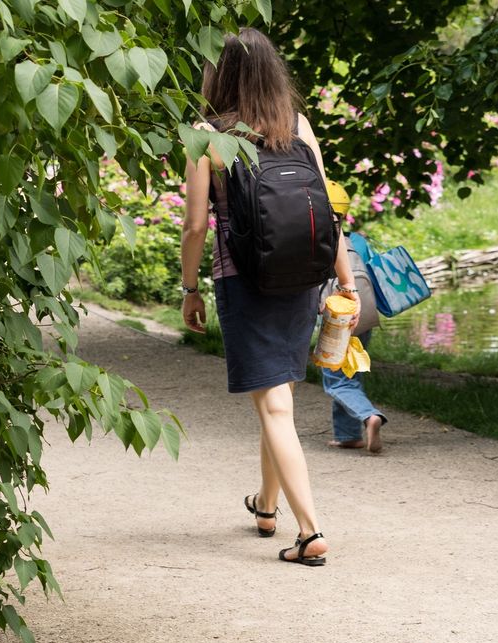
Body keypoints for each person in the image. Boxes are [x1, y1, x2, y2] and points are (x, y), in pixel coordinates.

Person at [179, 28, 360, 567]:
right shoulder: (298, 126)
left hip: (243, 277)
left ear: (219, 73)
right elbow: (329, 211)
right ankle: (266, 505)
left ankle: (310, 532)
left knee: (274, 404)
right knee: (276, 394)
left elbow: (194, 227)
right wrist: (345, 281)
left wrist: (190, 290)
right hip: (304, 276)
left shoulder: (206, 134)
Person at [320, 182, 388, 454]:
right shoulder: (358, 240)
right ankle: (348, 435)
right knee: (351, 370)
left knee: (335, 379)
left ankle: (369, 416)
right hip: (365, 311)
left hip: (337, 314)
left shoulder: (315, 241)